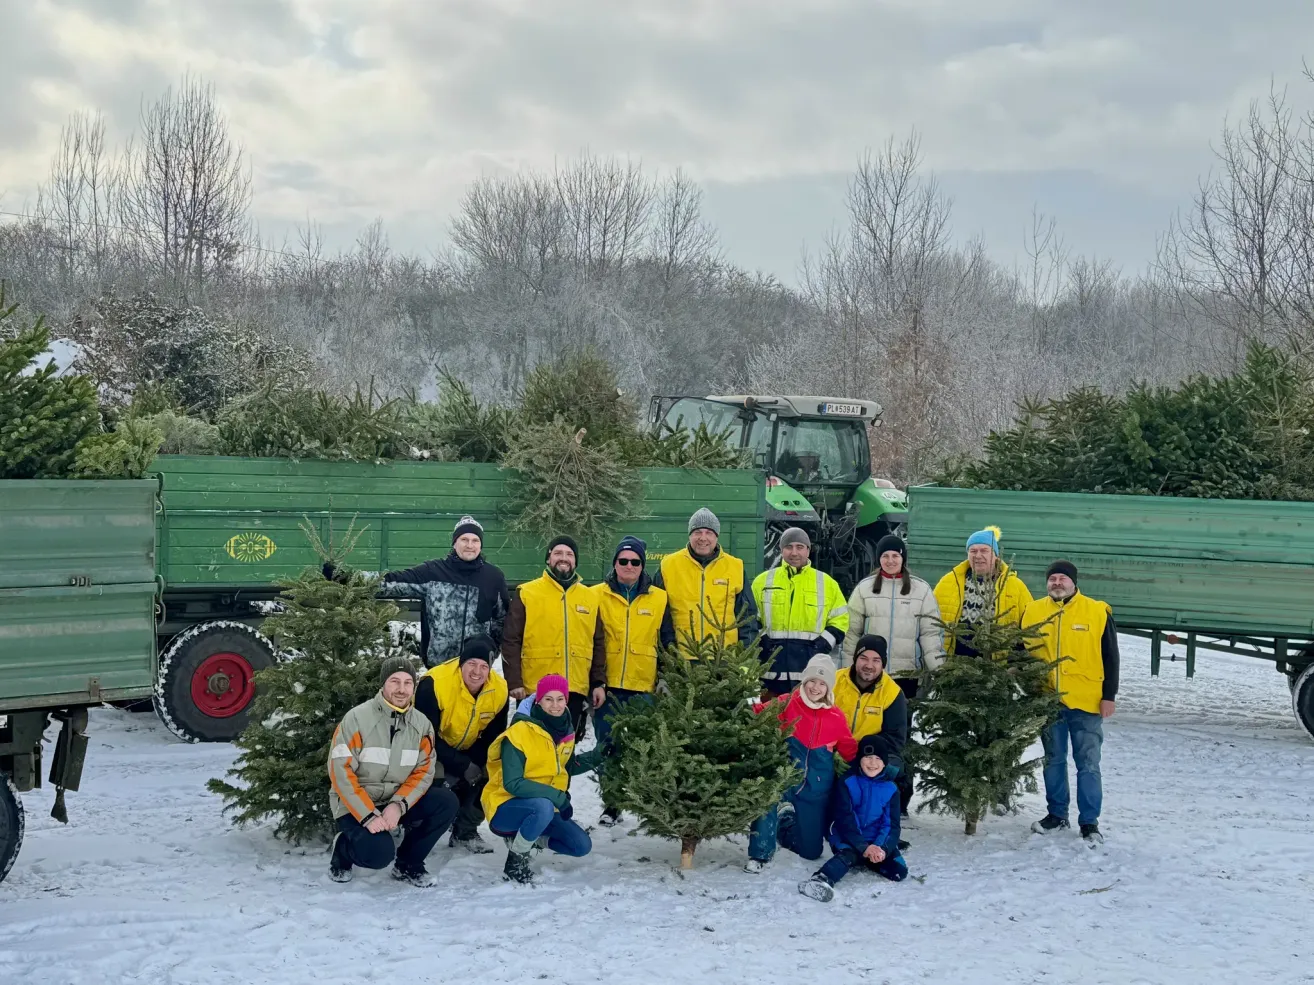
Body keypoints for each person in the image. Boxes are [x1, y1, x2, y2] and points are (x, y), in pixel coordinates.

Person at [328, 656, 459, 887]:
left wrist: (399, 805)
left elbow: (423, 772)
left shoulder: (421, 725)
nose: (401, 689)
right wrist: (367, 814)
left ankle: (408, 864)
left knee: (446, 802)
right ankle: (343, 852)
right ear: (383, 684)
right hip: (356, 803)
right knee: (378, 855)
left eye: (408, 682)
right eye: (394, 681)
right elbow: (341, 771)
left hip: (395, 799)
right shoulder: (357, 719)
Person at [326, 515, 511, 668]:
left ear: (480, 545)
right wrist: (347, 578)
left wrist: (490, 651)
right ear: (454, 543)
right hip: (439, 664)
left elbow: (502, 619)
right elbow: (391, 582)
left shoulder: (493, 577)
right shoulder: (433, 571)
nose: (469, 545)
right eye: (464, 539)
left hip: (476, 668)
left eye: (475, 540)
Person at [843, 532, 942, 811]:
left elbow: (931, 634)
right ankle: (861, 793)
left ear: (903, 558)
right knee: (865, 733)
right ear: (879, 559)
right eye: (885, 556)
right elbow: (852, 634)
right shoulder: (864, 589)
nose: (890, 560)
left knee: (900, 739)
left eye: (895, 555)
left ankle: (899, 796)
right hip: (868, 676)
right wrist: (846, 671)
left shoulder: (921, 590)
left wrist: (938, 670)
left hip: (905, 677)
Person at [1024, 560, 1119, 845]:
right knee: (1053, 761)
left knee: (1088, 763)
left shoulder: (1097, 611)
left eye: (1062, 578)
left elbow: (1111, 657)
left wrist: (1108, 696)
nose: (1056, 583)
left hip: (1087, 701)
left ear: (1074, 582)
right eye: (1052, 578)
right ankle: (1057, 814)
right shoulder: (1033, 612)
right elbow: (1021, 654)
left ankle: (1089, 822)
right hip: (1047, 700)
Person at [481, 675, 604, 884]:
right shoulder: (519, 733)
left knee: (580, 845)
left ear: (566, 700)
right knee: (544, 806)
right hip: (505, 806)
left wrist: (599, 755)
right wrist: (556, 796)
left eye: (560, 699)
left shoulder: (565, 729)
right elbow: (513, 783)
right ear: (537, 701)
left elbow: (565, 766)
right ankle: (515, 862)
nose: (555, 705)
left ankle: (528, 839)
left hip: (543, 807)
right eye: (548, 699)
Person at [745, 654, 858, 873]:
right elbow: (758, 714)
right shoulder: (788, 702)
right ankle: (760, 854)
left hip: (815, 789)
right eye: (812, 681)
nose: (815, 687)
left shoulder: (836, 717)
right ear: (804, 681)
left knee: (811, 851)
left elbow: (849, 750)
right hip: (785, 778)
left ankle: (784, 826)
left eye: (822, 683)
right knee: (767, 798)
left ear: (828, 688)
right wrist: (740, 706)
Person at [593, 535, 675, 826]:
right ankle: (612, 804)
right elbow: (591, 640)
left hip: (644, 686)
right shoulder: (596, 595)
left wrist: (665, 678)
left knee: (645, 746)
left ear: (642, 566)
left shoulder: (659, 598)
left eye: (635, 561)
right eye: (623, 561)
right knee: (608, 746)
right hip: (608, 688)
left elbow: (667, 641)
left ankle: (646, 804)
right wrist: (596, 682)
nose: (629, 566)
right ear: (614, 564)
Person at [501, 535, 607, 741]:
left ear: (575, 561)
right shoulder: (527, 592)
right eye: (558, 553)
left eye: (569, 554)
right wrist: (514, 681)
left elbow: (598, 643)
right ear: (548, 559)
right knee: (532, 749)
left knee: (566, 750)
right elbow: (511, 640)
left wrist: (598, 683)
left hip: (574, 689)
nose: (563, 558)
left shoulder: (591, 597)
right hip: (536, 689)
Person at [413, 634, 508, 855]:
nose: (477, 672)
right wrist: (462, 766)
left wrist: (477, 763)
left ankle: (465, 830)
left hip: (469, 748)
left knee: (496, 771)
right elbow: (425, 737)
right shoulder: (434, 683)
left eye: (484, 666)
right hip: (430, 750)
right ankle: (418, 826)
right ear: (460, 663)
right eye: (471, 664)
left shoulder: (500, 689)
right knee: (433, 780)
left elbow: (493, 737)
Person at [799, 733, 907, 902]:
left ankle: (869, 858)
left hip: (875, 839)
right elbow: (845, 818)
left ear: (885, 761)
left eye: (878, 758)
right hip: (848, 836)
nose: (873, 763)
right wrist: (863, 846)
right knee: (848, 855)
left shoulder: (891, 788)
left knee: (899, 872)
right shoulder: (848, 782)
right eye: (868, 757)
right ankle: (820, 879)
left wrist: (881, 848)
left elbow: (891, 824)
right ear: (860, 759)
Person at [751, 527, 849, 697]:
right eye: (789, 547)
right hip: (770, 674)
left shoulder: (827, 583)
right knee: (770, 719)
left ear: (808, 550)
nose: (794, 552)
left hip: (809, 678)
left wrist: (821, 646)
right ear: (781, 550)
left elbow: (840, 620)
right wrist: (762, 642)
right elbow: (750, 617)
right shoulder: (763, 581)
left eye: (800, 547)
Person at [654, 508, 759, 648]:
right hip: (680, 657)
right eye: (697, 532)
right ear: (689, 535)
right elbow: (659, 612)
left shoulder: (735, 567)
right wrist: (669, 649)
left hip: (724, 657)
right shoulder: (668, 565)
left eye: (709, 532)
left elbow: (747, 615)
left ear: (716, 537)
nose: (703, 538)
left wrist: (746, 653)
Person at [933, 525, 1033, 657]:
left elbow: (1030, 627)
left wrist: (1016, 665)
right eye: (973, 551)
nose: (978, 556)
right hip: (954, 666)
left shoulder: (1015, 586)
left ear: (996, 556)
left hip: (997, 669)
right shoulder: (948, 582)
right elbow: (930, 623)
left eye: (984, 550)